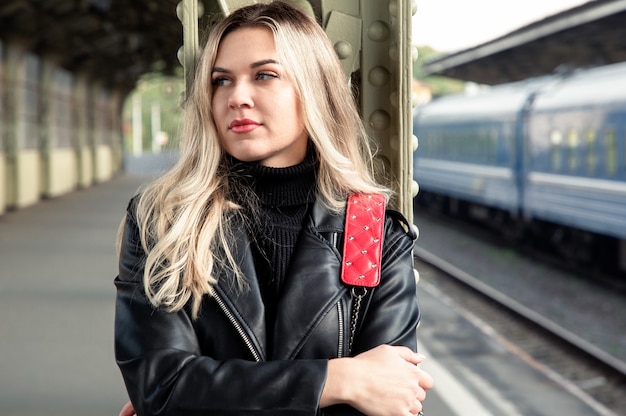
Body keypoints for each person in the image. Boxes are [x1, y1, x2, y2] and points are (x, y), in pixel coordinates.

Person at [114, 2, 433, 415]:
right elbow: (163, 388)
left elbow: (389, 396)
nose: (237, 97)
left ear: (313, 88)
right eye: (221, 81)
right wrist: (340, 379)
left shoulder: (369, 228)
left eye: (264, 76)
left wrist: (210, 390)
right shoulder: (165, 221)